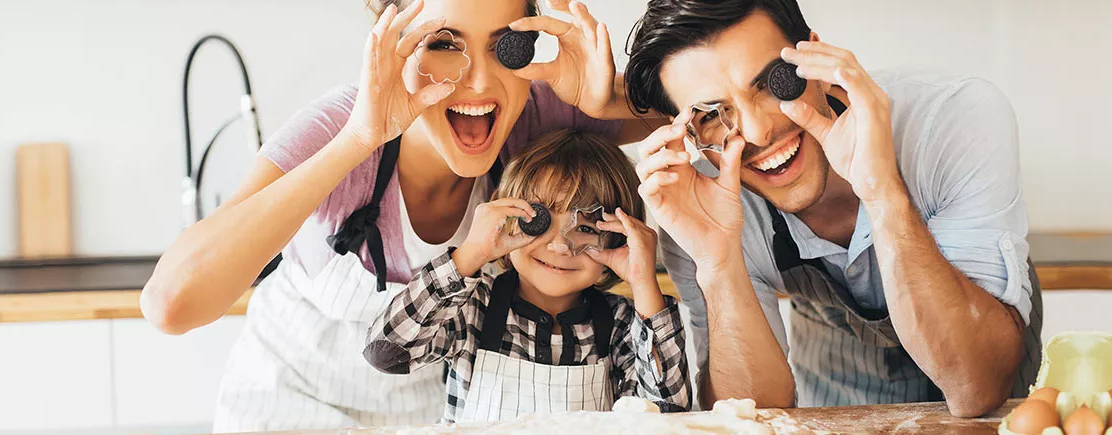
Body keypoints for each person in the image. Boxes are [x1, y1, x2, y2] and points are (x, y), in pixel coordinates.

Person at [140, 0, 654, 430]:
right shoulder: (338, 128)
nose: (479, 81)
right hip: (288, 404)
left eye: (505, 48)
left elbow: (705, 97)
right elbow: (171, 305)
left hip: (434, 415)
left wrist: (606, 99)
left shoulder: (533, 112)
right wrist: (358, 141)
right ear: (391, 46)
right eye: (444, 44)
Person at [622, 0, 1042, 417]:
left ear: (817, 56)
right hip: (835, 344)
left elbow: (976, 387)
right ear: (686, 134)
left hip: (975, 316)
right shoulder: (695, 201)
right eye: (712, 115)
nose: (757, 131)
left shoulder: (951, 120)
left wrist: (883, 191)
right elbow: (747, 413)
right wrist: (718, 262)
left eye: (772, 82)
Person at [364, 129, 690, 423]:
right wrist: (470, 254)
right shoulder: (472, 307)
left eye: (587, 228)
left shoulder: (622, 322)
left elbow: (666, 416)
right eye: (541, 220)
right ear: (509, 218)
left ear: (619, 238)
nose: (560, 245)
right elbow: (387, 353)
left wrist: (644, 283)